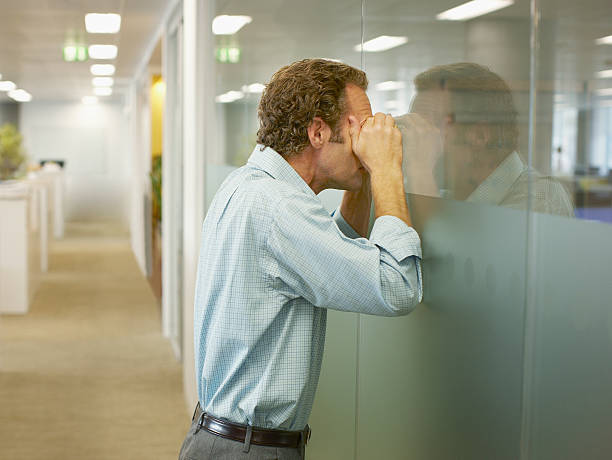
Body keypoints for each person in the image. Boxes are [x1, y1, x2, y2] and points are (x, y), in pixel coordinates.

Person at [178, 58, 423, 460]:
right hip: (249, 450)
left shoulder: (251, 186)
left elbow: (332, 253)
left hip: (226, 440)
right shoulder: (277, 208)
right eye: (357, 127)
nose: (366, 140)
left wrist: (362, 177)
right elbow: (397, 286)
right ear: (318, 131)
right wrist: (386, 171)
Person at [398, 62, 574, 217]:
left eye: (426, 128)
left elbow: (448, 251)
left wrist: (419, 168)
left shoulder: (540, 197)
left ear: (480, 136)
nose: (417, 138)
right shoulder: (447, 194)